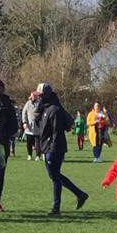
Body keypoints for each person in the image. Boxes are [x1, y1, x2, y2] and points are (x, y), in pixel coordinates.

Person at [35, 82, 88, 216]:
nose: (39, 98)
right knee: (55, 176)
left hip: (54, 148)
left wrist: (50, 150)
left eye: (41, 95)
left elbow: (56, 132)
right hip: (49, 147)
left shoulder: (54, 109)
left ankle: (60, 204)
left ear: (46, 95)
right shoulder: (46, 108)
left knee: (55, 176)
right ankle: (68, 200)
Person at [0, 80, 18, 209]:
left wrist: (3, 134)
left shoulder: (8, 104)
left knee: (0, 173)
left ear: (2, 88)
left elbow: (14, 126)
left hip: (2, 142)